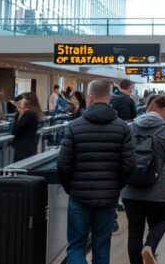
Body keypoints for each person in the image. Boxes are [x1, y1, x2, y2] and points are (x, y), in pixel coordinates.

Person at [58, 79, 135, 264]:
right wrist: (116, 186)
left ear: (89, 98)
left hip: (79, 195)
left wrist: (71, 187)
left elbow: (63, 164)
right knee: (102, 244)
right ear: (109, 97)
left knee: (76, 245)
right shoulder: (122, 128)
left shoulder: (74, 127)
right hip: (108, 197)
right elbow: (129, 165)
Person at [121, 95, 165, 264]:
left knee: (134, 232)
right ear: (163, 109)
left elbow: (122, 156)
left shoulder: (129, 127)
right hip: (157, 190)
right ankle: (150, 246)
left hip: (130, 190)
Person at [13, 91, 43, 162]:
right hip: (28, 148)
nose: (21, 101)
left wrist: (19, 114)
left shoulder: (28, 115)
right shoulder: (32, 113)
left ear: (27, 101)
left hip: (23, 150)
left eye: (23, 99)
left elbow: (14, 130)